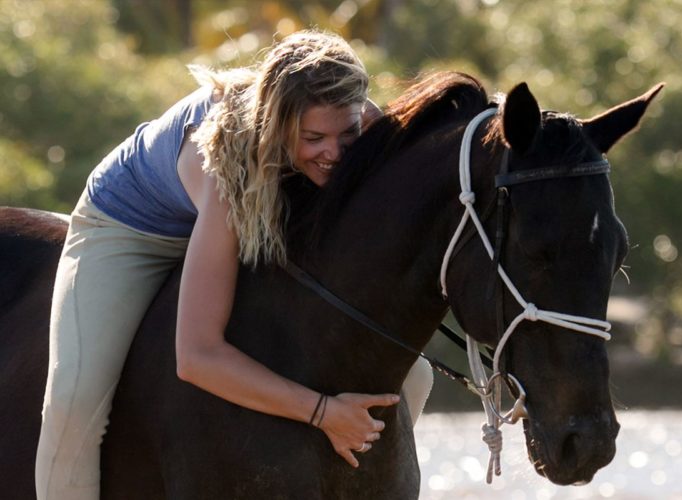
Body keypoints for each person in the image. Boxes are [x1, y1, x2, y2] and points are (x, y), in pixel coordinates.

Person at [35, 30, 433, 500]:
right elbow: (197, 357)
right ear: (277, 125)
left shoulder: (362, 126)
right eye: (313, 138)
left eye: (346, 133)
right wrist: (322, 412)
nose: (336, 152)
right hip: (129, 227)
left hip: (247, 223)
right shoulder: (227, 171)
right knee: (73, 402)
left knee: (418, 374)